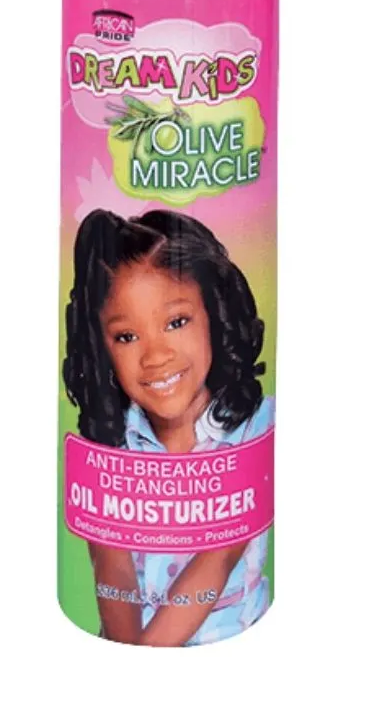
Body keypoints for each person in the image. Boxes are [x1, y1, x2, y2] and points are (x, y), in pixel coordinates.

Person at [62, 208, 274, 645]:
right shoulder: (112, 441)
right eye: (126, 336)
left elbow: (218, 558)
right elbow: (112, 567)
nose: (155, 356)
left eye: (176, 322)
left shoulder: (255, 425)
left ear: (214, 311)